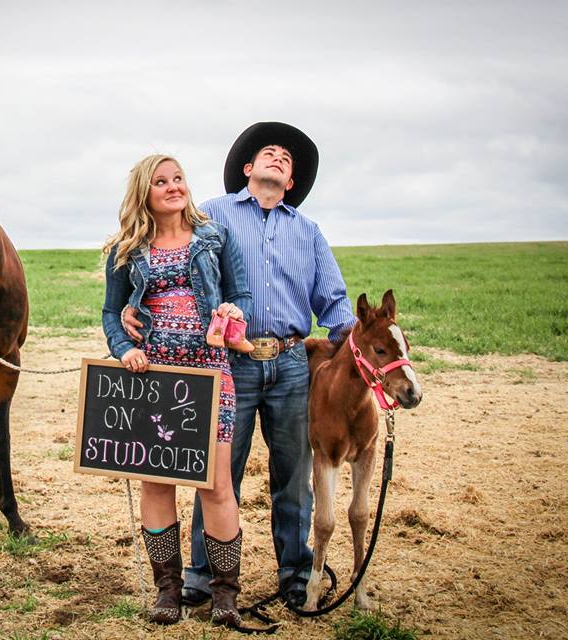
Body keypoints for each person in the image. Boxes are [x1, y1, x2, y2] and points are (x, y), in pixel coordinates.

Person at [122, 123, 356, 608]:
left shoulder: (308, 232)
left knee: (293, 473)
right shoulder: (212, 216)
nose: (278, 158)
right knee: (215, 471)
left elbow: (333, 300)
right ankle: (202, 576)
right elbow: (163, 260)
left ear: (291, 181)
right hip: (228, 359)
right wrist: (130, 307)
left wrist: (361, 345)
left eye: (286, 159)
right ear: (247, 169)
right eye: (267, 153)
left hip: (290, 360)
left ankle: (294, 572)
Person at [102, 154, 253, 627]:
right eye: (161, 181)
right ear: (144, 193)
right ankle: (167, 590)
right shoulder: (126, 251)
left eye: (179, 178)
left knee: (215, 483)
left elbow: (241, 295)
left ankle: (225, 595)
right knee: (157, 482)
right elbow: (111, 313)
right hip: (154, 380)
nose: (173, 187)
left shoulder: (214, 237)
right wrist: (124, 346)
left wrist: (231, 316)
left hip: (210, 374)